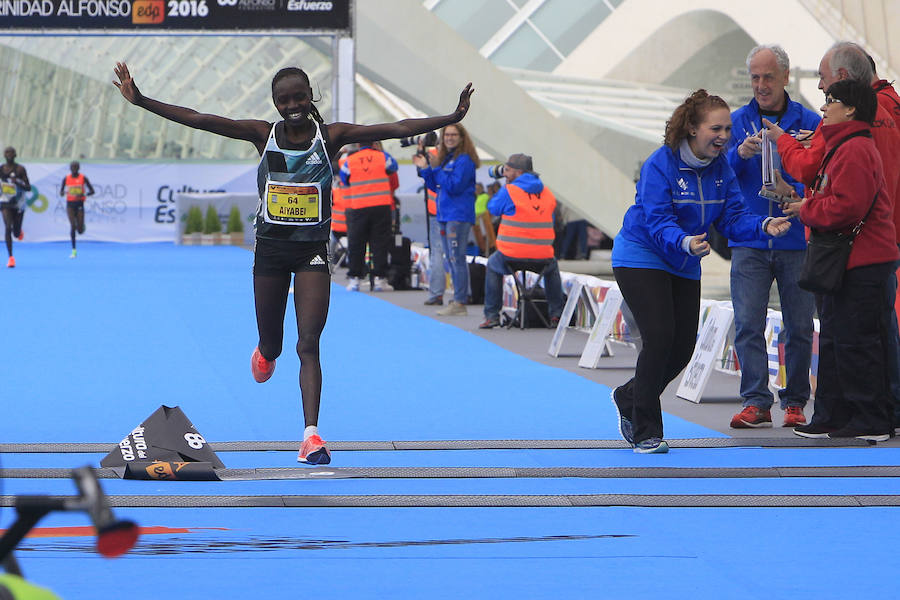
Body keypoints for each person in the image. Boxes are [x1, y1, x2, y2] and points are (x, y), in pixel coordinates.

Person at [113, 61, 474, 464]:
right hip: (270, 251)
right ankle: (265, 352)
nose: (293, 105)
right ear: (275, 103)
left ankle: (311, 436)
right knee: (275, 345)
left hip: (312, 252)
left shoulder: (332, 136)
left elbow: (396, 127)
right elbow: (199, 120)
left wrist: (452, 117)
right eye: (284, 100)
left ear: (310, 96)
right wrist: (141, 100)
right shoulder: (262, 134)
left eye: (299, 97)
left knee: (309, 343)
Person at [610, 90, 792, 454]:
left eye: (727, 128)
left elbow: (733, 217)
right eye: (716, 128)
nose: (725, 135)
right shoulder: (660, 164)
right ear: (692, 128)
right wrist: (685, 243)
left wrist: (763, 225)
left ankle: (629, 394)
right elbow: (656, 219)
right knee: (659, 337)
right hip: (642, 255)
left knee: (681, 349)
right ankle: (646, 430)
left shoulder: (722, 167)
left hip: (685, 259)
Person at [767, 41, 900, 435]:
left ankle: (865, 417)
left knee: (853, 338)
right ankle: (854, 414)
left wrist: (802, 204)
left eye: (828, 95)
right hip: (875, 246)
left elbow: (843, 204)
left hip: (855, 253)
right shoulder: (888, 114)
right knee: (867, 335)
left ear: (848, 99)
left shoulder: (852, 146)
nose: (822, 105)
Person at [725, 45, 821, 430]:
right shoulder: (734, 123)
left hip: (796, 239)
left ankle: (795, 401)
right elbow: (720, 175)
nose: (761, 85)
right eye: (755, 77)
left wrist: (794, 191)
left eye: (768, 77)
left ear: (785, 77)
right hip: (749, 237)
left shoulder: (811, 121)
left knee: (799, 325)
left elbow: (818, 174)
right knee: (748, 323)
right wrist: (738, 155)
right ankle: (755, 401)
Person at [478, 154, 564, 329]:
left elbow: (493, 208)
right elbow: (552, 220)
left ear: (518, 172)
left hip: (512, 255)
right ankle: (556, 314)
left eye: (507, 170)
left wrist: (506, 187)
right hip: (542, 257)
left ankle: (492, 315)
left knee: (493, 265)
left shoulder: (510, 191)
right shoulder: (547, 193)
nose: (504, 173)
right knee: (553, 267)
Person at [413, 123, 479, 316]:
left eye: (453, 135)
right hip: (444, 215)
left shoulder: (464, 161)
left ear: (461, 138)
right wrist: (427, 169)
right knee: (451, 259)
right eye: (447, 135)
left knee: (456, 258)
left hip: (457, 216)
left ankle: (459, 302)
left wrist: (436, 169)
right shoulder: (446, 159)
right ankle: (458, 300)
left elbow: (454, 186)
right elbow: (436, 186)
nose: (449, 138)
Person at [341, 140, 399, 292]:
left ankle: (355, 279)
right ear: (374, 143)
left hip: (358, 207)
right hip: (381, 206)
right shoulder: (382, 156)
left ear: (359, 145)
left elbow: (344, 179)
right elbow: (393, 167)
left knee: (356, 243)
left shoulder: (349, 161)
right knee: (380, 243)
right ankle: (380, 279)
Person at [0, 146, 30, 268]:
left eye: (11, 152)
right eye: (7, 152)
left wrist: (16, 182)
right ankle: (11, 257)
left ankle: (19, 231)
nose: (9, 154)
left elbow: (28, 187)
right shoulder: (1, 169)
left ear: (15, 155)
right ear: (4, 155)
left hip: (19, 202)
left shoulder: (20, 169)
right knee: (8, 227)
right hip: (5, 201)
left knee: (16, 233)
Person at [59, 161, 95, 259]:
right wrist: (62, 193)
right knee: (72, 226)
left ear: (79, 168)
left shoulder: (83, 178)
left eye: (76, 167)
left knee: (79, 230)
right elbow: (61, 191)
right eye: (72, 167)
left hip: (80, 204)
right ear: (70, 168)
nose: (74, 169)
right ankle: (74, 250)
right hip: (70, 205)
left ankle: (81, 226)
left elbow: (92, 191)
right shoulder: (66, 178)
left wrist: (84, 194)